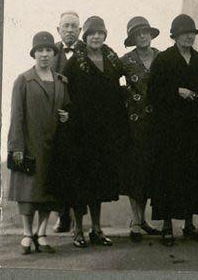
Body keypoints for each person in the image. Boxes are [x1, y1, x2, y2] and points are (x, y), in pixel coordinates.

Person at [57, 16, 130, 248]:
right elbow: (63, 92)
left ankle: (97, 229)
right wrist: (68, 116)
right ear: (85, 37)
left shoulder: (112, 60)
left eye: (100, 33)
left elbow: (119, 92)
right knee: (81, 183)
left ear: (105, 35)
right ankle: (78, 230)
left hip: (104, 132)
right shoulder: (75, 62)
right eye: (91, 34)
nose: (96, 37)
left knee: (99, 183)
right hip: (80, 132)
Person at [148, 14, 198, 246]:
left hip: (193, 130)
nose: (188, 37)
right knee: (167, 178)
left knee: (191, 176)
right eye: (184, 34)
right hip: (168, 131)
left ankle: (189, 224)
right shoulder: (164, 59)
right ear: (175, 36)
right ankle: (166, 226)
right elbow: (152, 93)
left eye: (191, 33)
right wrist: (177, 91)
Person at [7, 32, 70, 254]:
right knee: (28, 192)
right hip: (30, 144)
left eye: (49, 50)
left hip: (53, 147)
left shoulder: (61, 81)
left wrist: (65, 116)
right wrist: (16, 147)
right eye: (40, 51)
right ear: (34, 54)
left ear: (54, 54)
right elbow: (17, 116)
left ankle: (42, 233)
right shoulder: (23, 80)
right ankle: (26, 233)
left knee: (48, 192)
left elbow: (67, 108)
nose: (45, 54)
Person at [119, 16, 162, 242]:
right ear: (133, 38)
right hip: (133, 125)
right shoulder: (124, 61)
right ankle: (136, 220)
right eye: (138, 34)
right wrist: (124, 97)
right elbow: (109, 83)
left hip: (158, 125)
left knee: (149, 173)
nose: (143, 36)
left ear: (151, 34)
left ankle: (143, 220)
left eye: (145, 32)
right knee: (135, 172)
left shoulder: (162, 58)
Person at [52, 11, 84, 234]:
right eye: (66, 26)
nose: (70, 30)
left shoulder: (89, 49)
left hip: (81, 119)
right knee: (58, 166)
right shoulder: (48, 50)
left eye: (74, 26)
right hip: (56, 118)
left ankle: (80, 218)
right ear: (58, 30)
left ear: (80, 30)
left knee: (80, 166)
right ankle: (63, 215)